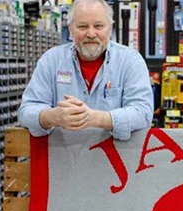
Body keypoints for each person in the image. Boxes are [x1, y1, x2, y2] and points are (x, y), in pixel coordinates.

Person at [18, 0, 153, 140]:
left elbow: (143, 113)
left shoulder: (130, 61)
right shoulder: (51, 60)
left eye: (98, 26)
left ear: (110, 28)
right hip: (61, 159)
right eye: (82, 26)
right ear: (71, 30)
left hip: (115, 160)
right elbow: (26, 112)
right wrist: (53, 117)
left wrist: (98, 119)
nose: (91, 33)